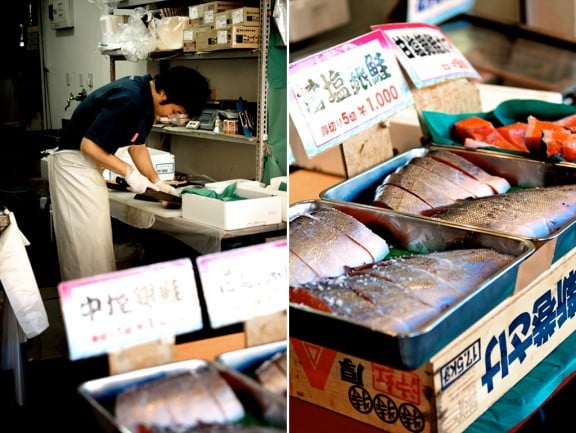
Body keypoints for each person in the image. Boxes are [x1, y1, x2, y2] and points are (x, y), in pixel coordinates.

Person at [48, 66, 210, 281]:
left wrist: (157, 181)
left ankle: (97, 304)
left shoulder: (144, 99)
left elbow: (137, 146)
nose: (172, 117)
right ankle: (87, 308)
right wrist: (129, 173)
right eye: (174, 111)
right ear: (164, 93)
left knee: (98, 246)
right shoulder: (129, 98)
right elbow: (90, 146)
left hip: (87, 167)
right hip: (74, 168)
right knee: (86, 249)